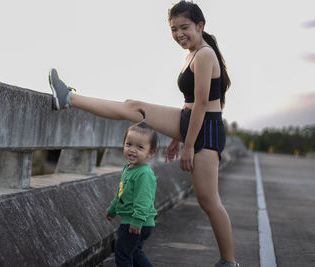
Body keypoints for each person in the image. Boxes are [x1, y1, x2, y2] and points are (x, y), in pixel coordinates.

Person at [49, 1, 238, 266]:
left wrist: (187, 144)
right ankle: (67, 96)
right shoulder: (192, 54)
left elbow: (204, 105)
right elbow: (192, 104)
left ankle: (229, 262)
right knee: (133, 106)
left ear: (200, 26)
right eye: (174, 29)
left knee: (209, 201)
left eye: (184, 27)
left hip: (205, 131)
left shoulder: (205, 54)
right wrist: (177, 136)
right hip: (191, 121)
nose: (179, 34)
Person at [104, 109, 158, 267]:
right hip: (135, 220)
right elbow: (122, 193)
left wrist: (137, 220)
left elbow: (144, 199)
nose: (132, 150)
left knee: (123, 253)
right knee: (134, 252)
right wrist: (113, 208)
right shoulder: (129, 168)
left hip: (135, 221)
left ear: (151, 152)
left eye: (140, 147)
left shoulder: (144, 173)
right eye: (129, 144)